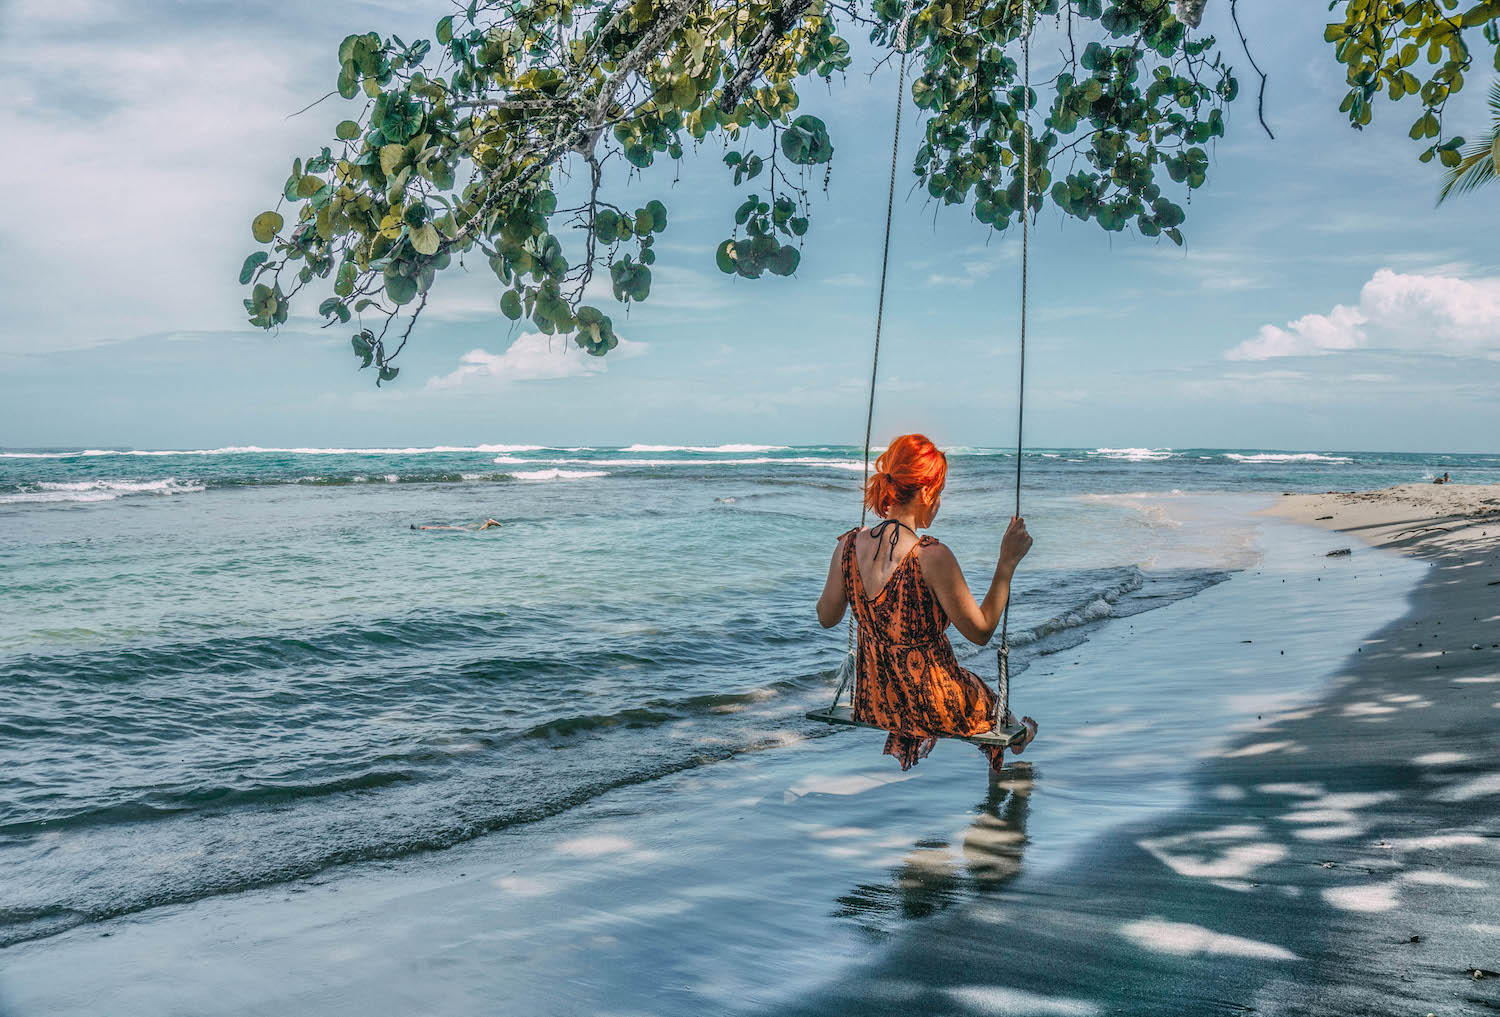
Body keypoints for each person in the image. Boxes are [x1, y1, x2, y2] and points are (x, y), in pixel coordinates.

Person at [816, 433, 1037, 773]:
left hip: (878, 701)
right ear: (925, 491)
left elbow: (826, 617)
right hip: (934, 703)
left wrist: (849, 574)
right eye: (940, 493)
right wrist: (1006, 563)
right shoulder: (931, 556)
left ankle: (1014, 742)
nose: (939, 504)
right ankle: (1022, 736)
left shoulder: (847, 546)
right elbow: (980, 632)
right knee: (987, 703)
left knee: (977, 696)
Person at [412, 519, 502, 531]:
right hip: (453, 527)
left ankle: (489, 523)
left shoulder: (426, 528)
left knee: (475, 532)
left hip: (453, 528)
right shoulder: (428, 528)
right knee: (471, 530)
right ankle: (488, 523)